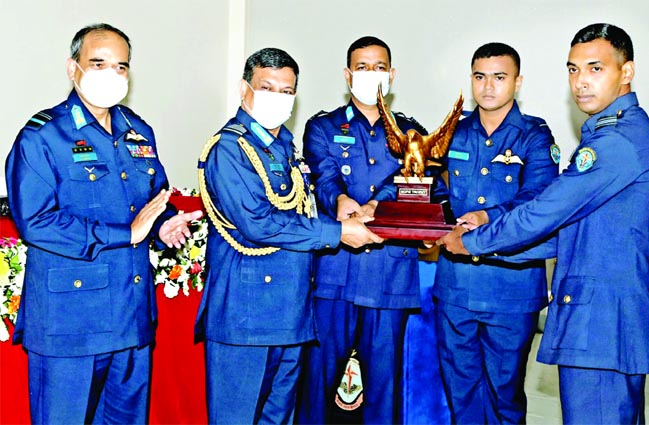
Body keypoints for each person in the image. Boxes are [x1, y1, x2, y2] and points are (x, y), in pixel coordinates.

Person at [437, 23, 649, 424]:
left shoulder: (617, 143)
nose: (581, 82)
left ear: (626, 72)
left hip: (601, 325)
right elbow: (563, 235)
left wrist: (473, 242)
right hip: (600, 323)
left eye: (595, 69)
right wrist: (475, 239)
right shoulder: (607, 135)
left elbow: (543, 212)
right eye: (573, 69)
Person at [4, 23, 201, 424]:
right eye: (99, 63)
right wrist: (126, 234)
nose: (111, 74)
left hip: (131, 320)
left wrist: (163, 227)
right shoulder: (43, 136)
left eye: (121, 66)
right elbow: (37, 222)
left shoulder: (137, 130)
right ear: (72, 67)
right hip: (71, 324)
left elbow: (153, 199)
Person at [194, 47, 382, 425]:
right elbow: (258, 224)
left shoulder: (284, 147)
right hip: (245, 315)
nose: (277, 98)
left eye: (286, 91)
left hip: (291, 309)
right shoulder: (230, 148)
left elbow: (300, 207)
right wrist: (339, 231)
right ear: (243, 89)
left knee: (279, 418)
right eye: (267, 88)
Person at [296, 36, 427, 425]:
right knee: (316, 390)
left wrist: (376, 204)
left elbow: (413, 178)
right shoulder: (321, 126)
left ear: (393, 74)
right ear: (348, 74)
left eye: (380, 67)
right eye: (363, 67)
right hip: (333, 274)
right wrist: (339, 201)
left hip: (388, 274)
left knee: (384, 394)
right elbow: (321, 172)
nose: (372, 74)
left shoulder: (412, 133)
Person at [431, 42, 558, 423]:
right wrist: (436, 219)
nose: (488, 87)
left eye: (499, 77)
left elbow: (538, 201)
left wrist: (487, 216)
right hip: (456, 285)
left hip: (510, 288)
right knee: (461, 390)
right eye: (480, 76)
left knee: (505, 394)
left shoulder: (534, 136)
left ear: (517, 82)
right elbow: (434, 189)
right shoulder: (453, 132)